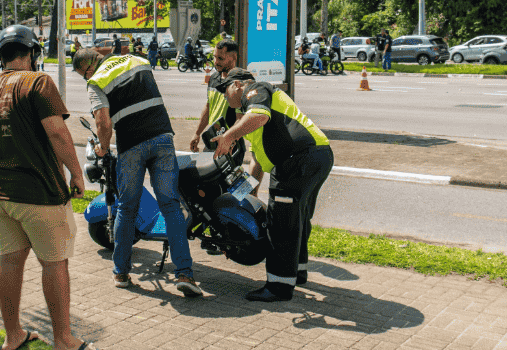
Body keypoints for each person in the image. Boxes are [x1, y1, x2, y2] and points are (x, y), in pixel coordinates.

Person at [0, 24, 100, 350]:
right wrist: (76, 173)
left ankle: (12, 335)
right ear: (32, 53)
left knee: (10, 259)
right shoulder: (38, 82)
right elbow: (57, 133)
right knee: (54, 262)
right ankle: (64, 342)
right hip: (37, 193)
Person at [72, 47, 203, 296]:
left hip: (132, 145)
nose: (86, 79)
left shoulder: (96, 81)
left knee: (127, 207)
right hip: (162, 136)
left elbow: (103, 120)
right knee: (171, 206)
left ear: (89, 68)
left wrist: (102, 146)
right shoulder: (137, 60)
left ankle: (121, 272)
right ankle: (185, 274)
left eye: (83, 75)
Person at [211, 68, 334, 302]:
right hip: (315, 156)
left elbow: (259, 116)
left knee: (280, 223)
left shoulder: (256, 90)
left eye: (224, 90)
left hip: (296, 160)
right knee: (296, 217)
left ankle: (279, 286)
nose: (224, 97)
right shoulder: (250, 117)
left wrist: (228, 137)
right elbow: (257, 160)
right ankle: (297, 271)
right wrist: (245, 195)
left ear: (238, 85)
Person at [190, 38, 239, 152]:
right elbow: (208, 106)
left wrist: (232, 140)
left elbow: (241, 117)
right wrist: (197, 133)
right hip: (213, 139)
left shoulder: (240, 82)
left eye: (220, 58)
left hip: (230, 144)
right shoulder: (213, 78)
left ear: (234, 57)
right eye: (214, 57)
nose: (215, 62)